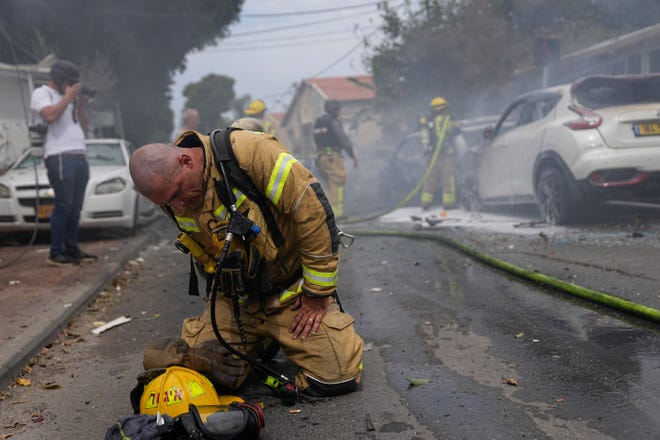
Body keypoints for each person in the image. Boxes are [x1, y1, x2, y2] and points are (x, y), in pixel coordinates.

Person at [128, 128, 364, 398]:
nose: (179, 206)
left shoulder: (249, 151)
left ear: (186, 161)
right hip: (236, 300)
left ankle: (266, 338)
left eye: (178, 193)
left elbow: (311, 211)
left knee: (337, 376)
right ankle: (257, 341)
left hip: (291, 293)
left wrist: (316, 292)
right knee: (199, 377)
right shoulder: (172, 194)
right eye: (168, 202)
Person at [30, 59, 97, 266]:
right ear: (59, 80)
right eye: (69, 82)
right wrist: (68, 97)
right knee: (63, 204)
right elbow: (50, 116)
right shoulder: (42, 93)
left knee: (75, 206)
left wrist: (80, 105)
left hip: (79, 155)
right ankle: (56, 251)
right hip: (59, 156)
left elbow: (84, 127)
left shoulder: (69, 100)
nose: (72, 86)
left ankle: (72, 248)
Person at [312, 100, 358, 219]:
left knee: (330, 183)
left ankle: (329, 212)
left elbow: (316, 140)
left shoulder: (319, 122)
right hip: (332, 156)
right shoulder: (333, 122)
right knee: (338, 180)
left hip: (321, 157)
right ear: (335, 110)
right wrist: (352, 154)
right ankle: (336, 213)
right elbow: (342, 138)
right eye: (339, 109)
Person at [418, 96, 461, 211]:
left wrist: (426, 148)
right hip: (446, 155)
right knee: (448, 179)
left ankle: (425, 203)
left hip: (432, 155)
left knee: (430, 179)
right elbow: (456, 131)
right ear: (445, 108)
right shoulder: (447, 120)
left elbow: (423, 137)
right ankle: (449, 204)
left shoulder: (428, 122)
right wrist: (455, 123)